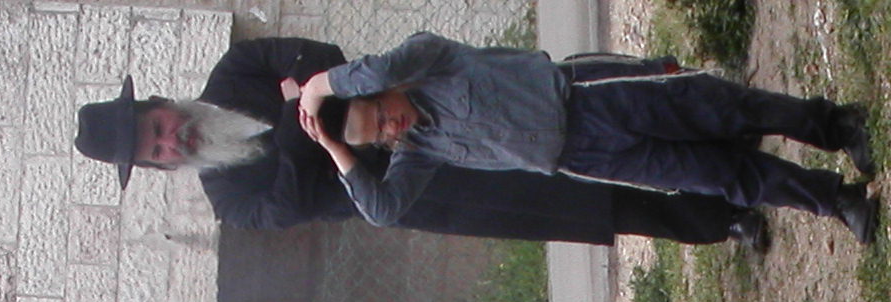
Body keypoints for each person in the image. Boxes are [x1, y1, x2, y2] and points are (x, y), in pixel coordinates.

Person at [72, 40, 767, 247]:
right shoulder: (228, 197)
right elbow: (288, 204)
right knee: (584, 205)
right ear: (162, 167)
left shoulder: (235, 69)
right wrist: (298, 111)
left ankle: (729, 132)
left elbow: (324, 58)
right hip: (427, 190)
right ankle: (720, 217)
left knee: (587, 116)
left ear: (162, 104)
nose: (172, 141)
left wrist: (306, 139)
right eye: (158, 152)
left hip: (430, 115)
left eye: (157, 128)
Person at [292, 33, 881, 242]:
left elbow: (374, 68)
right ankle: (837, 199)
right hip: (584, 156)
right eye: (379, 136)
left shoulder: (429, 61)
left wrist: (319, 86)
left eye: (381, 114)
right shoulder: (420, 152)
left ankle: (834, 125)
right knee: (719, 177)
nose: (390, 129)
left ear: (380, 89)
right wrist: (337, 148)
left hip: (592, 94)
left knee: (724, 110)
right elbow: (383, 210)